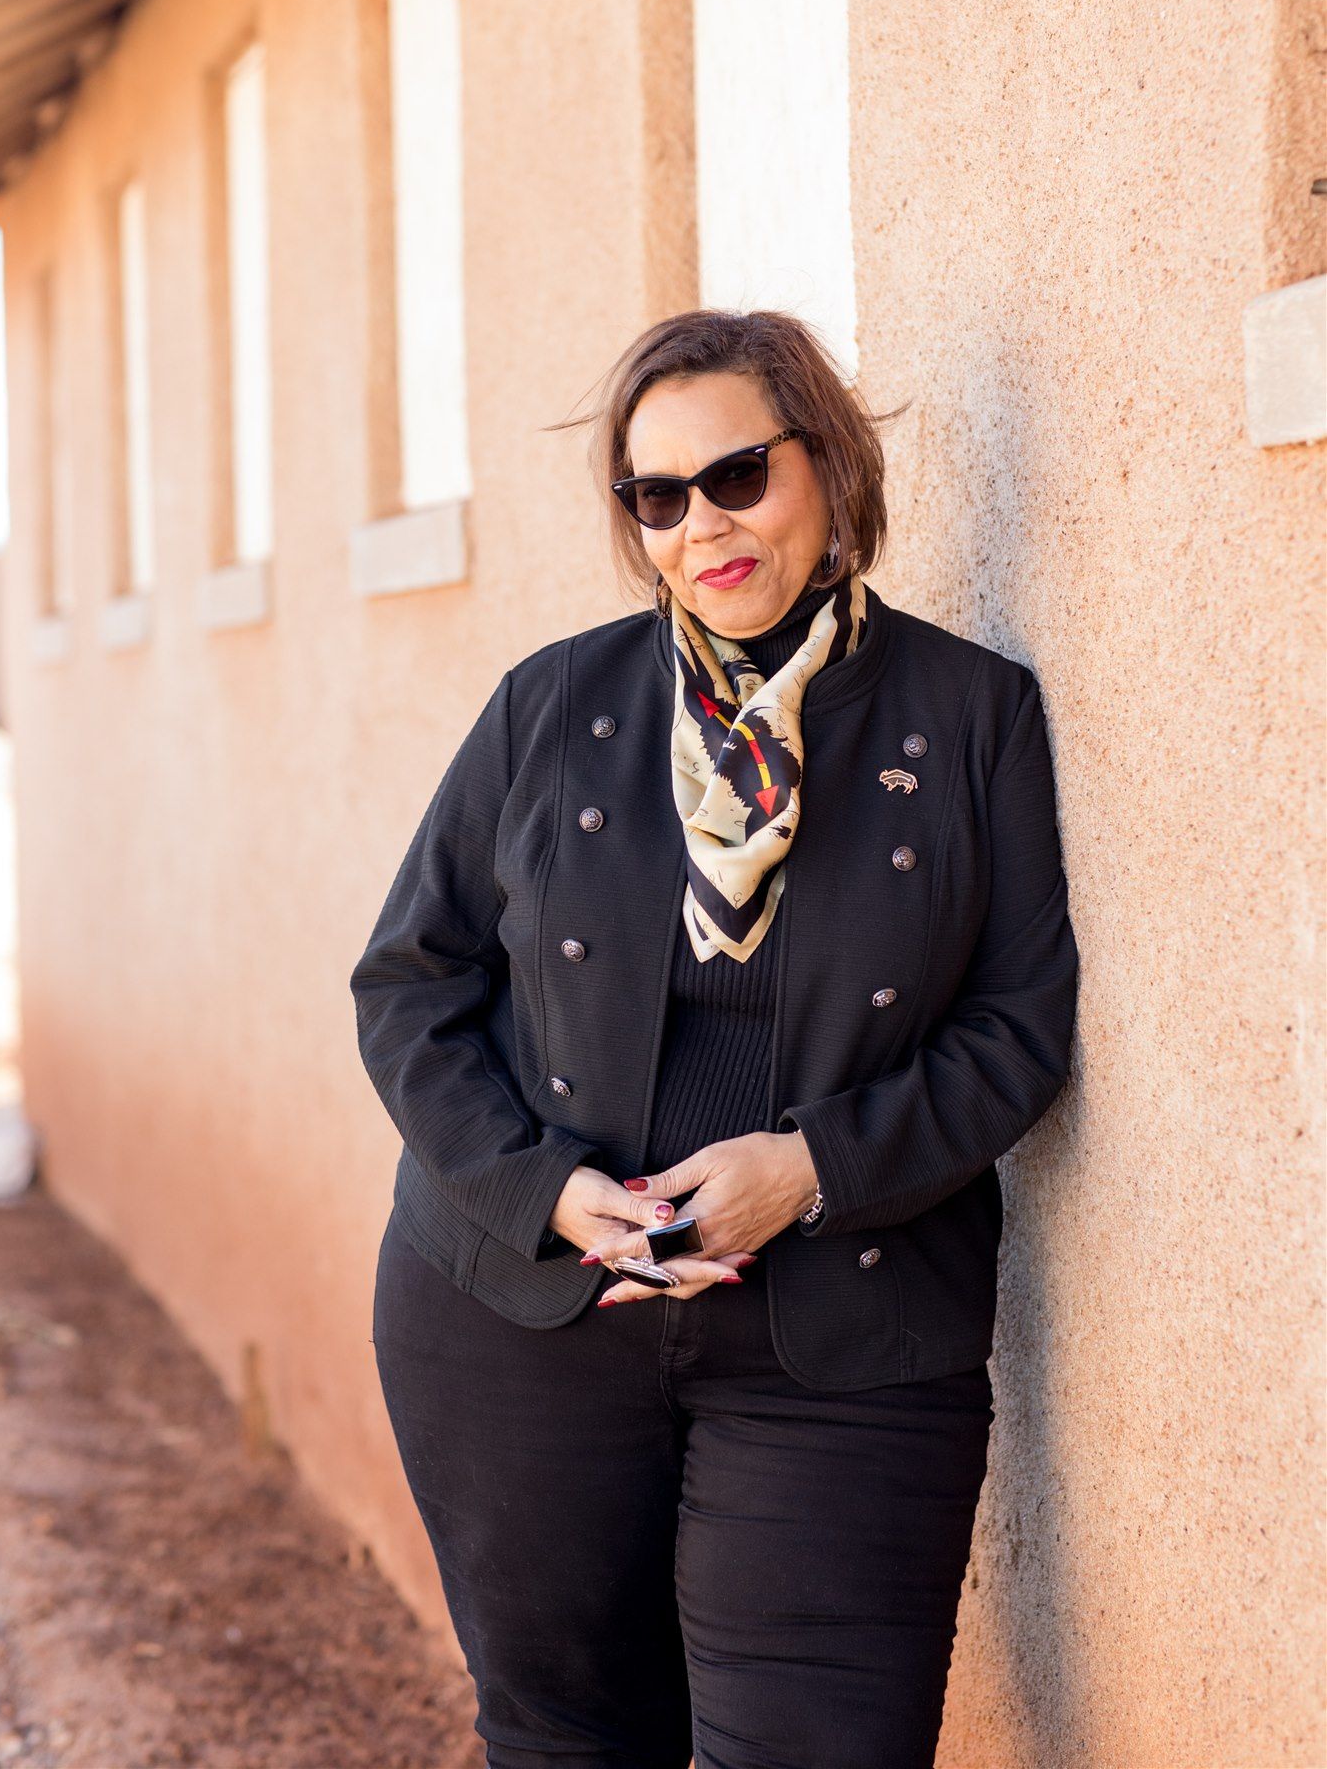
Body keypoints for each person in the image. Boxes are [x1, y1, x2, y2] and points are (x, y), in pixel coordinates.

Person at [351, 307, 1079, 1769]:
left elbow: (1018, 1029)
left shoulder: (967, 710)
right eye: (655, 496)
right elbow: (409, 983)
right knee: (566, 1741)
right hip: (523, 1314)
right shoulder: (555, 705)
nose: (701, 527)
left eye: (736, 475)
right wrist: (546, 1190)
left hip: (844, 1332)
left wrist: (807, 1168)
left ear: (827, 466)